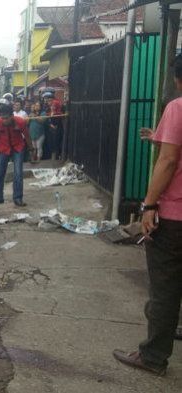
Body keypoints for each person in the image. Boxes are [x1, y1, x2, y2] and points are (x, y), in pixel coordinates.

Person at [113, 54, 182, 376]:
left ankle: (153, 356)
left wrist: (149, 205)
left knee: (165, 287)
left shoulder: (178, 107)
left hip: (176, 215)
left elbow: (168, 161)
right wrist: (158, 136)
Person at [0, 104, 31, 207]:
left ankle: (18, 198)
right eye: (3, 118)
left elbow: (27, 136)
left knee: (18, 174)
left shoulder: (20, 122)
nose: (4, 120)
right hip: (3, 148)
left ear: (12, 116)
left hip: (18, 147)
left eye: (6, 118)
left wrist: (31, 149)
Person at [44, 92, 64, 160]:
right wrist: (50, 124)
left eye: (50, 100)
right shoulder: (48, 109)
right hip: (50, 128)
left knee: (56, 143)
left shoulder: (57, 107)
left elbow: (58, 118)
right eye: (47, 100)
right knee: (51, 143)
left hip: (57, 127)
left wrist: (54, 125)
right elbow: (47, 119)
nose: (49, 102)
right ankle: (53, 157)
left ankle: (57, 157)